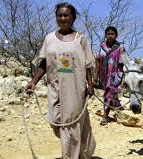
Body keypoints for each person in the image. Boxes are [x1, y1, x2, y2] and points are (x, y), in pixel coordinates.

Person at [25, 2, 96, 158]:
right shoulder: (49, 38)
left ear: (73, 18)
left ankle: (70, 156)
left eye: (66, 15)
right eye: (60, 15)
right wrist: (33, 82)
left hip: (75, 89)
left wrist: (90, 84)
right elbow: (44, 63)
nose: (63, 18)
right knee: (55, 121)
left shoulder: (80, 39)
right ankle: (84, 149)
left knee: (70, 124)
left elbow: (88, 65)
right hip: (55, 87)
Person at [95, 26, 125, 125]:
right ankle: (117, 107)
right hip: (103, 74)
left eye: (112, 34)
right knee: (111, 93)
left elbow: (123, 62)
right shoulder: (102, 47)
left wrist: (122, 76)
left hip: (115, 75)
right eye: (108, 34)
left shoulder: (120, 47)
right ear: (105, 35)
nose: (110, 36)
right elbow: (98, 60)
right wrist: (96, 75)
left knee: (108, 93)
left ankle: (105, 116)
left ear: (116, 35)